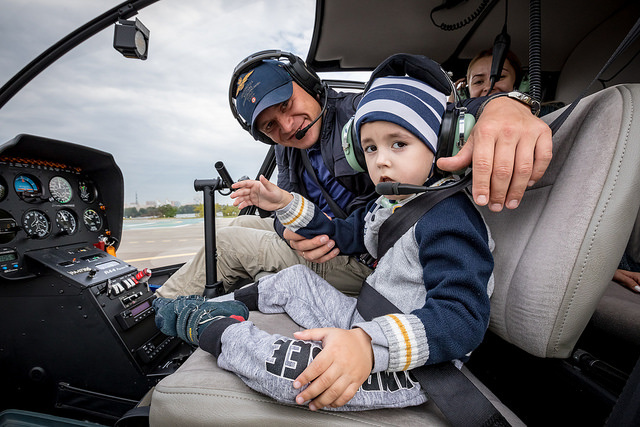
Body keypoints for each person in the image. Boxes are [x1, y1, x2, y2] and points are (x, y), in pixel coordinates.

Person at [153, 72, 494, 412]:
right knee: (295, 280)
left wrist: (367, 345)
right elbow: (342, 234)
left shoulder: (449, 218)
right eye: (370, 149)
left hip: (411, 359)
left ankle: (214, 329)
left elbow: (463, 317)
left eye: (399, 144)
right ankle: (225, 304)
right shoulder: (389, 203)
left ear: (445, 141)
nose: (381, 160)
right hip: (368, 316)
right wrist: (287, 206)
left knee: (298, 375)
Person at [156, 50, 551, 298]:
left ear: (308, 83)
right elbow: (290, 206)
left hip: (366, 253)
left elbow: (441, 119)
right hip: (333, 236)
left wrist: (504, 104)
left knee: (226, 247)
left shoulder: (364, 114)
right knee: (234, 229)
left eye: (287, 104)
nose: (288, 125)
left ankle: (154, 314)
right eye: (271, 126)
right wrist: (286, 228)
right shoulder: (287, 149)